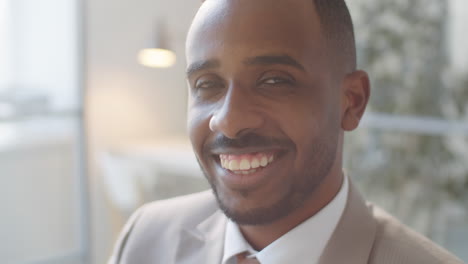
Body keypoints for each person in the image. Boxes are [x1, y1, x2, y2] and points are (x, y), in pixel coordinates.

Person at [108, 0, 464, 263]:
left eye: (274, 80)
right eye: (208, 84)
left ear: (351, 102)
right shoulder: (145, 238)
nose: (229, 121)